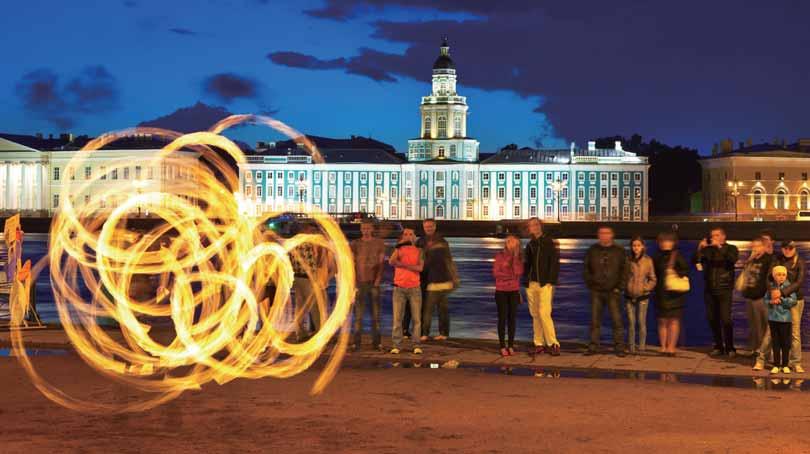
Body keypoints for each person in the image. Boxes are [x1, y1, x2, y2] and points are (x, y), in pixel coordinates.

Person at [754, 240, 805, 372]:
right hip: (775, 299)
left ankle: (795, 362)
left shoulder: (800, 261)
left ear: (794, 248)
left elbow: (799, 282)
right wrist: (772, 293)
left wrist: (781, 293)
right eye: (785, 248)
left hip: (795, 300)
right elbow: (768, 278)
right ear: (782, 249)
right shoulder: (776, 259)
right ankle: (761, 359)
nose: (788, 250)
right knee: (770, 332)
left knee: (794, 333)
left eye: (790, 248)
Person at [693, 227, 739, 357]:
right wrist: (700, 248)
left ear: (724, 236)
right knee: (712, 319)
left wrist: (718, 246)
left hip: (724, 289)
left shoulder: (731, 248)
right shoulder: (708, 250)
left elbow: (731, 260)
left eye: (717, 235)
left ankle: (730, 347)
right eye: (712, 235)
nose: (714, 237)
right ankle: (718, 346)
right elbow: (695, 262)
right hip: (709, 289)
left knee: (726, 320)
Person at [584, 225, 628, 356]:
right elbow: (586, 269)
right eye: (601, 233)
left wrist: (619, 288)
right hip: (596, 291)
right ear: (598, 235)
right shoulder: (592, 250)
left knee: (617, 321)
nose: (604, 235)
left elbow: (625, 271)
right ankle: (593, 346)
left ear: (612, 235)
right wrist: (591, 283)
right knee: (594, 320)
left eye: (606, 233)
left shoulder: (619, 251)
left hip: (613, 291)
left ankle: (619, 347)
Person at [523, 217, 561, 356]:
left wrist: (551, 280)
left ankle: (553, 343)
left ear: (541, 226)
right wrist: (525, 280)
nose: (535, 227)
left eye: (537, 224)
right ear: (530, 229)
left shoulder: (549, 242)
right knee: (535, 314)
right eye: (532, 225)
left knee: (544, 313)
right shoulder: (530, 244)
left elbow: (554, 262)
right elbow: (527, 264)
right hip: (531, 283)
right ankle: (538, 343)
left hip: (545, 283)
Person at [290, 224, 334, 340]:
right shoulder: (307, 244)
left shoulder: (294, 243)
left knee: (300, 307)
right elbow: (311, 265)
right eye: (312, 231)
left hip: (297, 278)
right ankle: (320, 335)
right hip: (307, 279)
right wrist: (316, 279)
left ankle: (300, 333)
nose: (314, 234)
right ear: (306, 231)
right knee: (315, 308)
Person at [417, 219, 458, 341]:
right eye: (426, 227)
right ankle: (425, 333)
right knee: (428, 309)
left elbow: (448, 259)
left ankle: (442, 333)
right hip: (428, 279)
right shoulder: (421, 241)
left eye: (430, 226)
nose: (428, 228)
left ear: (434, 227)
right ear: (423, 228)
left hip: (441, 279)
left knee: (441, 309)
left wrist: (453, 277)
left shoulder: (441, 241)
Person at [350, 220, 386, 351]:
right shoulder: (355, 244)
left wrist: (378, 279)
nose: (365, 230)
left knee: (376, 315)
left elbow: (381, 263)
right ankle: (356, 343)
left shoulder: (379, 243)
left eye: (367, 228)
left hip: (373, 283)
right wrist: (353, 281)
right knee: (358, 315)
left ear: (372, 229)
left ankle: (377, 343)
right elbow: (351, 263)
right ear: (361, 229)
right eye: (363, 228)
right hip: (360, 283)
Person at [652, 232, 689, 356]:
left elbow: (685, 270)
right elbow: (653, 274)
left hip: (675, 293)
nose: (665, 243)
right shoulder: (656, 256)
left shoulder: (677, 255)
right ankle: (663, 347)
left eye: (668, 241)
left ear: (673, 243)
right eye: (662, 241)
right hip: (661, 293)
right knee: (662, 320)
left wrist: (674, 272)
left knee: (673, 320)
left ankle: (671, 347)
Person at [389, 228, 424, 355]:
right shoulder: (399, 249)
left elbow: (420, 268)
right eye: (405, 234)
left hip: (414, 287)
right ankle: (396, 345)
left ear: (414, 236)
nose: (408, 236)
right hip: (399, 287)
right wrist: (399, 246)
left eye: (410, 234)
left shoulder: (420, 251)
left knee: (416, 319)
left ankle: (416, 344)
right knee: (397, 319)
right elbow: (391, 261)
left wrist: (403, 265)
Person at [739, 236, 773, 357]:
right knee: (754, 325)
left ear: (764, 247)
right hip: (750, 296)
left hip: (761, 297)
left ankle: (765, 352)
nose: (755, 248)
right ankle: (755, 348)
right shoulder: (752, 260)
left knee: (763, 326)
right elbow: (746, 275)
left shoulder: (768, 259)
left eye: (758, 246)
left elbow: (769, 279)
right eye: (753, 246)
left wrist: (766, 294)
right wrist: (749, 259)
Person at [493, 234, 524, 357]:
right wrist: (510, 276)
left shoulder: (519, 257)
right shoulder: (499, 256)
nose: (510, 243)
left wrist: (515, 258)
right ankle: (502, 346)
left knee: (512, 319)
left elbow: (519, 272)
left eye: (513, 242)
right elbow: (496, 273)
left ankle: (511, 345)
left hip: (514, 291)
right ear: (506, 243)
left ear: (517, 245)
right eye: (509, 241)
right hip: (501, 291)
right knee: (502, 318)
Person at [625, 236, 657, 354]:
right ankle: (631, 347)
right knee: (631, 322)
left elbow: (653, 279)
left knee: (641, 321)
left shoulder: (648, 261)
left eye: (638, 245)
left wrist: (645, 288)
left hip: (643, 296)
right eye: (634, 246)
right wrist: (626, 286)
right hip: (629, 295)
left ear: (643, 246)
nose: (636, 248)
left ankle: (642, 347)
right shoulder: (628, 260)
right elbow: (624, 276)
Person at [764, 265, 798, 374]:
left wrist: (782, 299)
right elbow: (765, 300)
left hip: (785, 320)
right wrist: (770, 302)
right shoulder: (771, 288)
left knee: (785, 343)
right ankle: (776, 364)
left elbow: (793, 301)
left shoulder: (788, 287)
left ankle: (785, 364)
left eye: (783, 275)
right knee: (776, 343)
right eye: (778, 275)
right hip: (773, 319)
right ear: (774, 276)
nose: (781, 277)